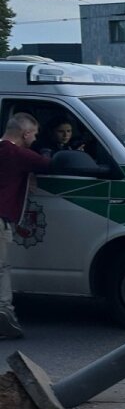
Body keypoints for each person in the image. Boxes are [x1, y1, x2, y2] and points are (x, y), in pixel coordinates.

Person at [1, 112, 51, 338]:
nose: (35, 139)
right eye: (35, 135)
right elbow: (47, 163)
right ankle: (4, 319)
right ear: (26, 133)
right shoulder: (16, 153)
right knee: (1, 270)